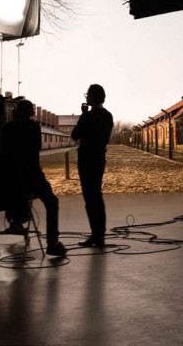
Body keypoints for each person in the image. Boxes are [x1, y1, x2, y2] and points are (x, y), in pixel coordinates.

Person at [0, 100, 66, 257]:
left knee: (17, 192)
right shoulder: (34, 127)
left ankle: (16, 219)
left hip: (7, 180)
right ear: (31, 113)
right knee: (52, 202)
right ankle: (52, 243)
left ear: (14, 112)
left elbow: (0, 154)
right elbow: (35, 151)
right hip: (30, 174)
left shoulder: (3, 129)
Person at [71, 84, 114, 248]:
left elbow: (74, 135)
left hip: (86, 160)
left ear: (91, 97)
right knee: (97, 195)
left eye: (88, 95)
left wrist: (83, 115)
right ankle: (100, 234)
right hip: (99, 158)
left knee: (90, 198)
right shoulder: (108, 116)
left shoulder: (87, 117)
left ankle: (96, 235)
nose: (86, 97)